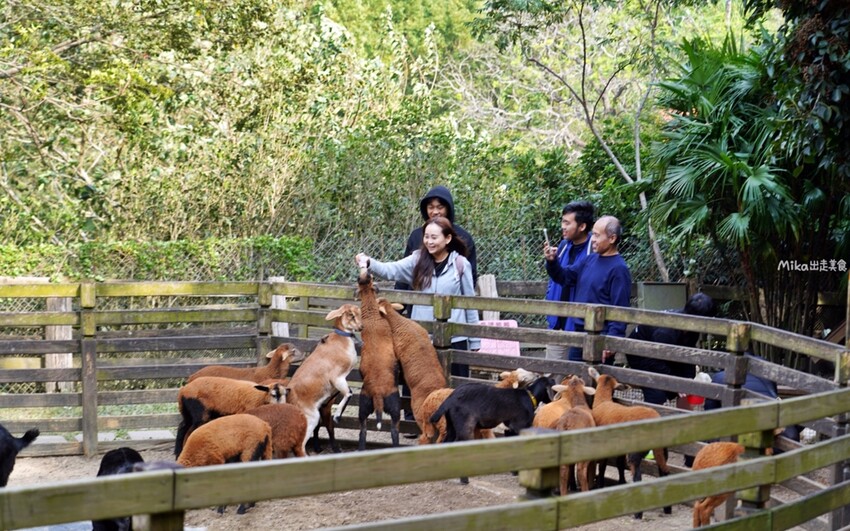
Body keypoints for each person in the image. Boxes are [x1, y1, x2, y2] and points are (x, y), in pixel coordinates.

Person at [355, 216, 480, 380]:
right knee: (418, 384)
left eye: (434, 237)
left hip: (455, 338)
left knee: (455, 388)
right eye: (426, 237)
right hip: (421, 338)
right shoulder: (417, 260)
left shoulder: (461, 264)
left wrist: (475, 340)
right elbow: (390, 270)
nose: (429, 241)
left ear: (448, 238)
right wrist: (369, 262)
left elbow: (469, 303)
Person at [550, 215, 631, 364]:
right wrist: (552, 261)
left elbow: (621, 309)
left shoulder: (619, 269)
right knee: (575, 383)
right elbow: (565, 277)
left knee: (594, 385)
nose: (592, 239)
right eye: (592, 234)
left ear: (612, 238)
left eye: (597, 235)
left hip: (601, 339)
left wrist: (612, 341)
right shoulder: (589, 260)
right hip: (579, 335)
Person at [625, 292, 719, 409]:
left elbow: (687, 355)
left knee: (686, 384)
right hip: (641, 355)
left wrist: (688, 380)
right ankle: (653, 420)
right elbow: (654, 362)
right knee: (657, 392)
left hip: (663, 353)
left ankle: (682, 419)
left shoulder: (692, 329)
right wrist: (674, 383)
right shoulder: (666, 332)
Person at [396, 185, 478, 296]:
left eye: (440, 207)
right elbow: (403, 273)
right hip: (418, 305)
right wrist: (398, 308)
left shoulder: (463, 238)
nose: (435, 212)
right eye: (431, 207)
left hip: (452, 306)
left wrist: (460, 309)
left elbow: (470, 278)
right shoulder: (416, 236)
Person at [543, 201, 595, 360]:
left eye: (567, 223)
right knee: (551, 374)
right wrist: (551, 261)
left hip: (579, 326)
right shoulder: (564, 246)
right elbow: (559, 277)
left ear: (582, 226)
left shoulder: (593, 250)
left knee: (576, 378)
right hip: (557, 323)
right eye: (562, 222)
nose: (562, 226)